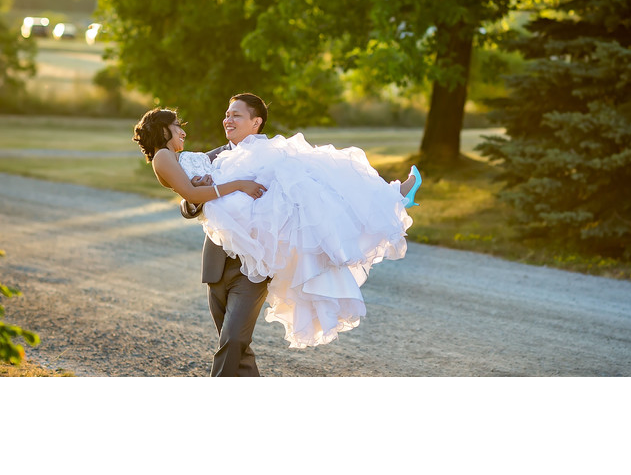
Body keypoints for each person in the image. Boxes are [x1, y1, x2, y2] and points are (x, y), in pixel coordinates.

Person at [133, 93, 422, 374]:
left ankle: (395, 195)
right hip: (218, 263)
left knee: (233, 340)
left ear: (256, 122)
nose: (227, 120)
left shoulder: (276, 158)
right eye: (226, 114)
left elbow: (324, 193)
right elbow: (189, 201)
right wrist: (198, 194)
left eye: (236, 115)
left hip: (255, 267)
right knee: (235, 346)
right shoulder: (212, 157)